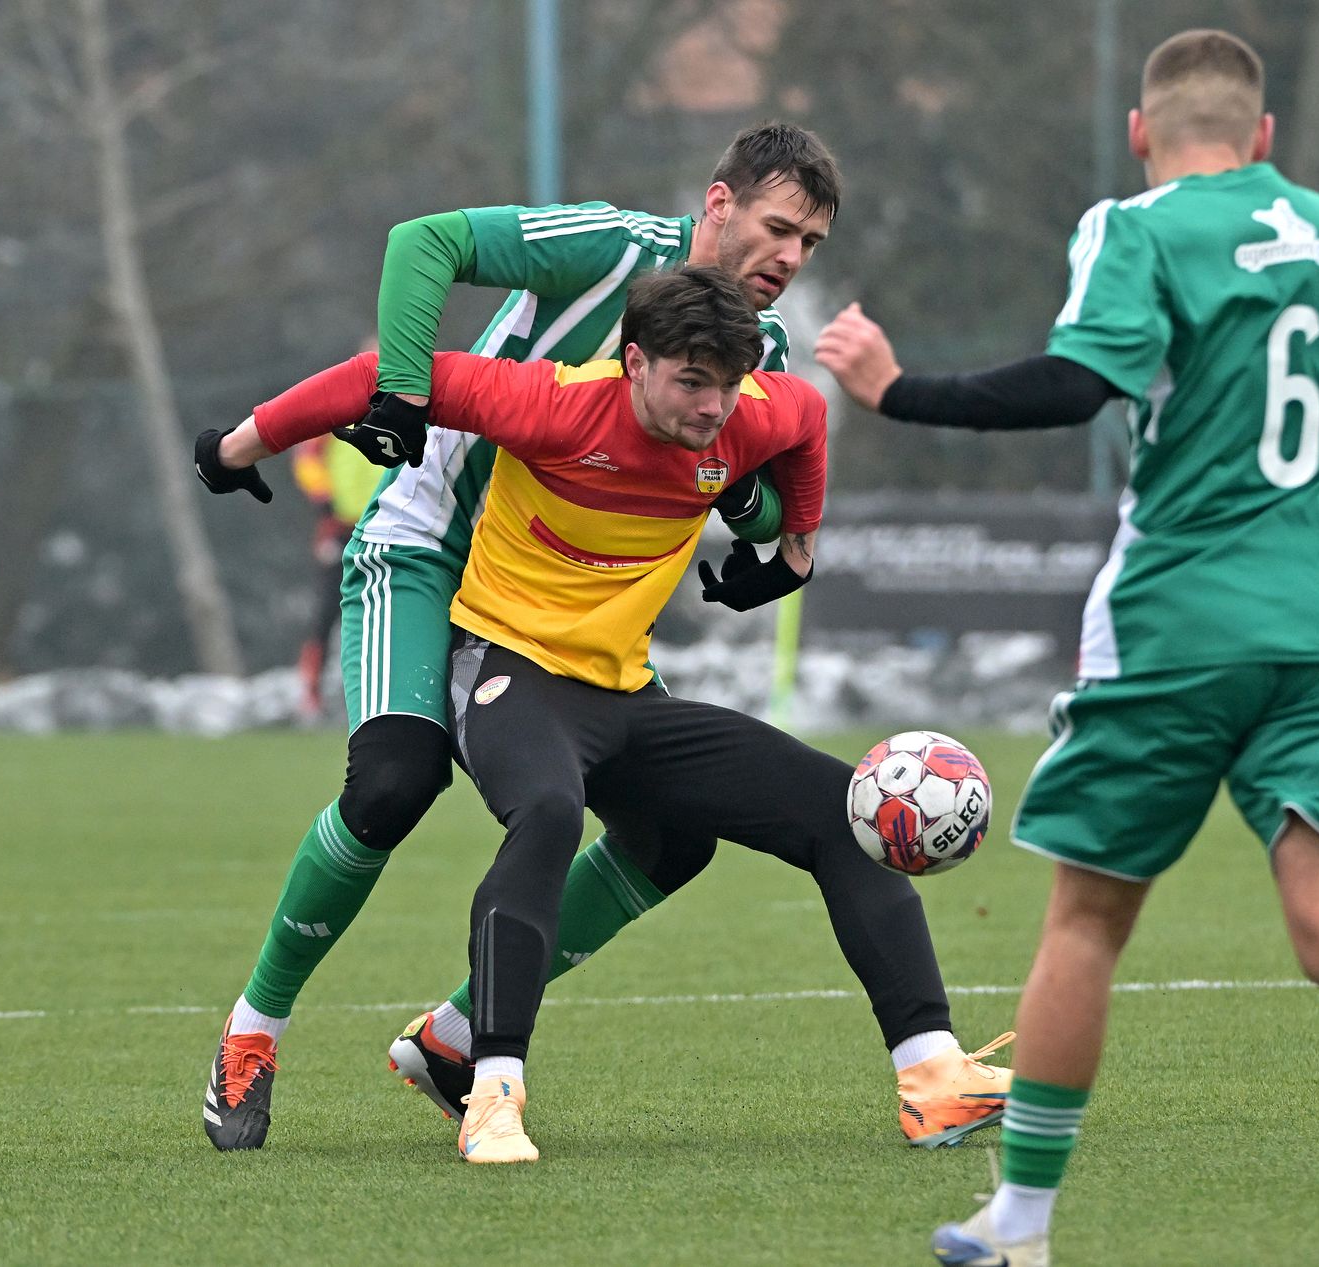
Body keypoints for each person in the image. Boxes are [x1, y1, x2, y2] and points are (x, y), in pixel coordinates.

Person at [814, 30, 1319, 1266]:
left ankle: (1020, 1226)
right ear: (1263, 138)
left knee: (1085, 925)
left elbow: (1075, 384)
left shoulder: (1133, 228)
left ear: (1141, 133)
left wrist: (897, 390)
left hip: (1175, 623)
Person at [203, 266, 1014, 1165]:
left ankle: (933, 1076)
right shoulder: (553, 404)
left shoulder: (748, 412)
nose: (713, 407)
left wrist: (798, 546)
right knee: (547, 812)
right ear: (634, 363)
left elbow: (809, 416)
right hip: (504, 672)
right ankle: (492, 1093)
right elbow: (371, 378)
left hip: (622, 694)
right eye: (691, 381)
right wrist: (236, 449)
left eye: (728, 384)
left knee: (843, 812)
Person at [190, 123, 838, 1152]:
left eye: (810, 243)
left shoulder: (764, 351)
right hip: (427, 555)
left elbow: (741, 486)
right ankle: (251, 1031)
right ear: (718, 202)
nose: (790, 258)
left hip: (551, 607)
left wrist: (775, 531)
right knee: (392, 784)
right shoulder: (613, 247)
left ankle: (453, 1037)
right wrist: (349, 410)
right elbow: (423, 243)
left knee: (672, 838)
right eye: (778, 227)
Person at [288, 428, 381, 720]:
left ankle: (383, 690)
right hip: (341, 528)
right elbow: (306, 459)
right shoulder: (336, 418)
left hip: (388, 525)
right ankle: (311, 695)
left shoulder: (400, 410)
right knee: (326, 611)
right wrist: (324, 497)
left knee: (389, 607)